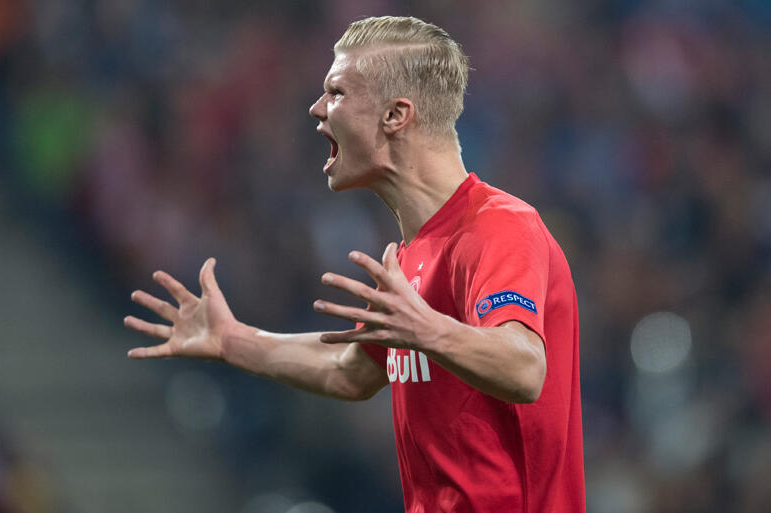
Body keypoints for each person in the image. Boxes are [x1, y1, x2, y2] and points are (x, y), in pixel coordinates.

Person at [124, 16, 585, 513]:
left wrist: (427, 329)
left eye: (337, 92)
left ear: (396, 115)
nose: (317, 107)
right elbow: (351, 371)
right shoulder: (412, 255)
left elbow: (524, 366)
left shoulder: (496, 226)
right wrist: (234, 340)